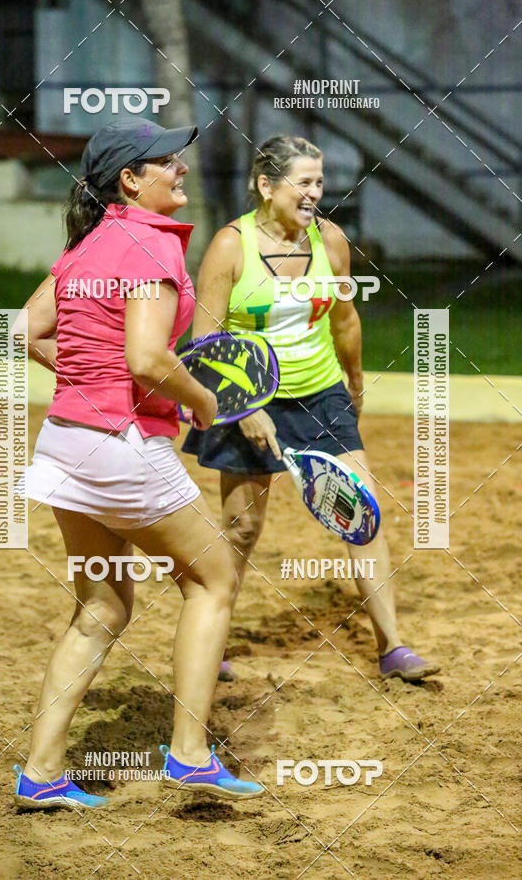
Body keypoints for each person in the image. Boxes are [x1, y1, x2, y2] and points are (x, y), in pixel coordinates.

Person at [12, 118, 264, 810]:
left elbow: (24, 330)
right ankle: (188, 756)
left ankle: (41, 774)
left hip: (66, 441)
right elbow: (148, 360)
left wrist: (89, 385)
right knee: (213, 579)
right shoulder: (152, 243)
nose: (180, 170)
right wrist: (205, 402)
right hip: (121, 447)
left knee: (101, 605)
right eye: (168, 162)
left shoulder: (90, 243)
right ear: (131, 179)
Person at [183, 135, 441, 684]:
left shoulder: (330, 240)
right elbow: (203, 341)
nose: (314, 194)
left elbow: (345, 318)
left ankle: (393, 648)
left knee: (361, 513)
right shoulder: (232, 246)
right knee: (243, 528)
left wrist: (353, 381)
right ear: (266, 185)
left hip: (320, 391)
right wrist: (242, 407)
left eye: (319, 183)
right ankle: (212, 641)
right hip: (247, 394)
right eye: (303, 182)